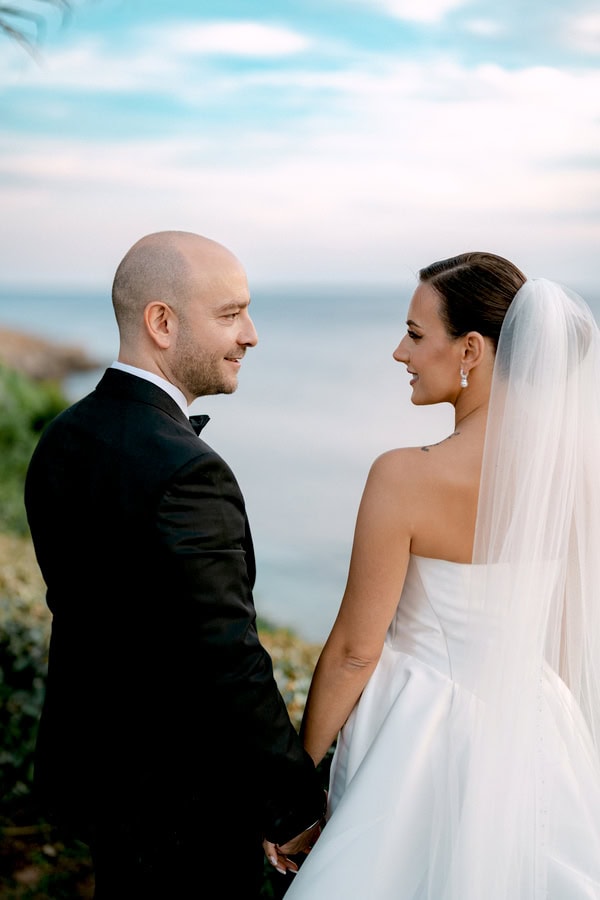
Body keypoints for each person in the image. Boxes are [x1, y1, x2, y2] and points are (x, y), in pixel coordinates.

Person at [281, 252, 600, 899]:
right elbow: (568, 633)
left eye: (417, 334)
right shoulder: (572, 478)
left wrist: (297, 789)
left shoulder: (405, 476)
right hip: (537, 730)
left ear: (472, 351)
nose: (401, 352)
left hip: (415, 737)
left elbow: (353, 651)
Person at [24, 230, 325, 899]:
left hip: (103, 784)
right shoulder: (188, 472)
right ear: (162, 322)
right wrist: (297, 808)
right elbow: (229, 660)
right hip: (188, 808)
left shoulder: (62, 438)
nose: (251, 335)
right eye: (230, 314)